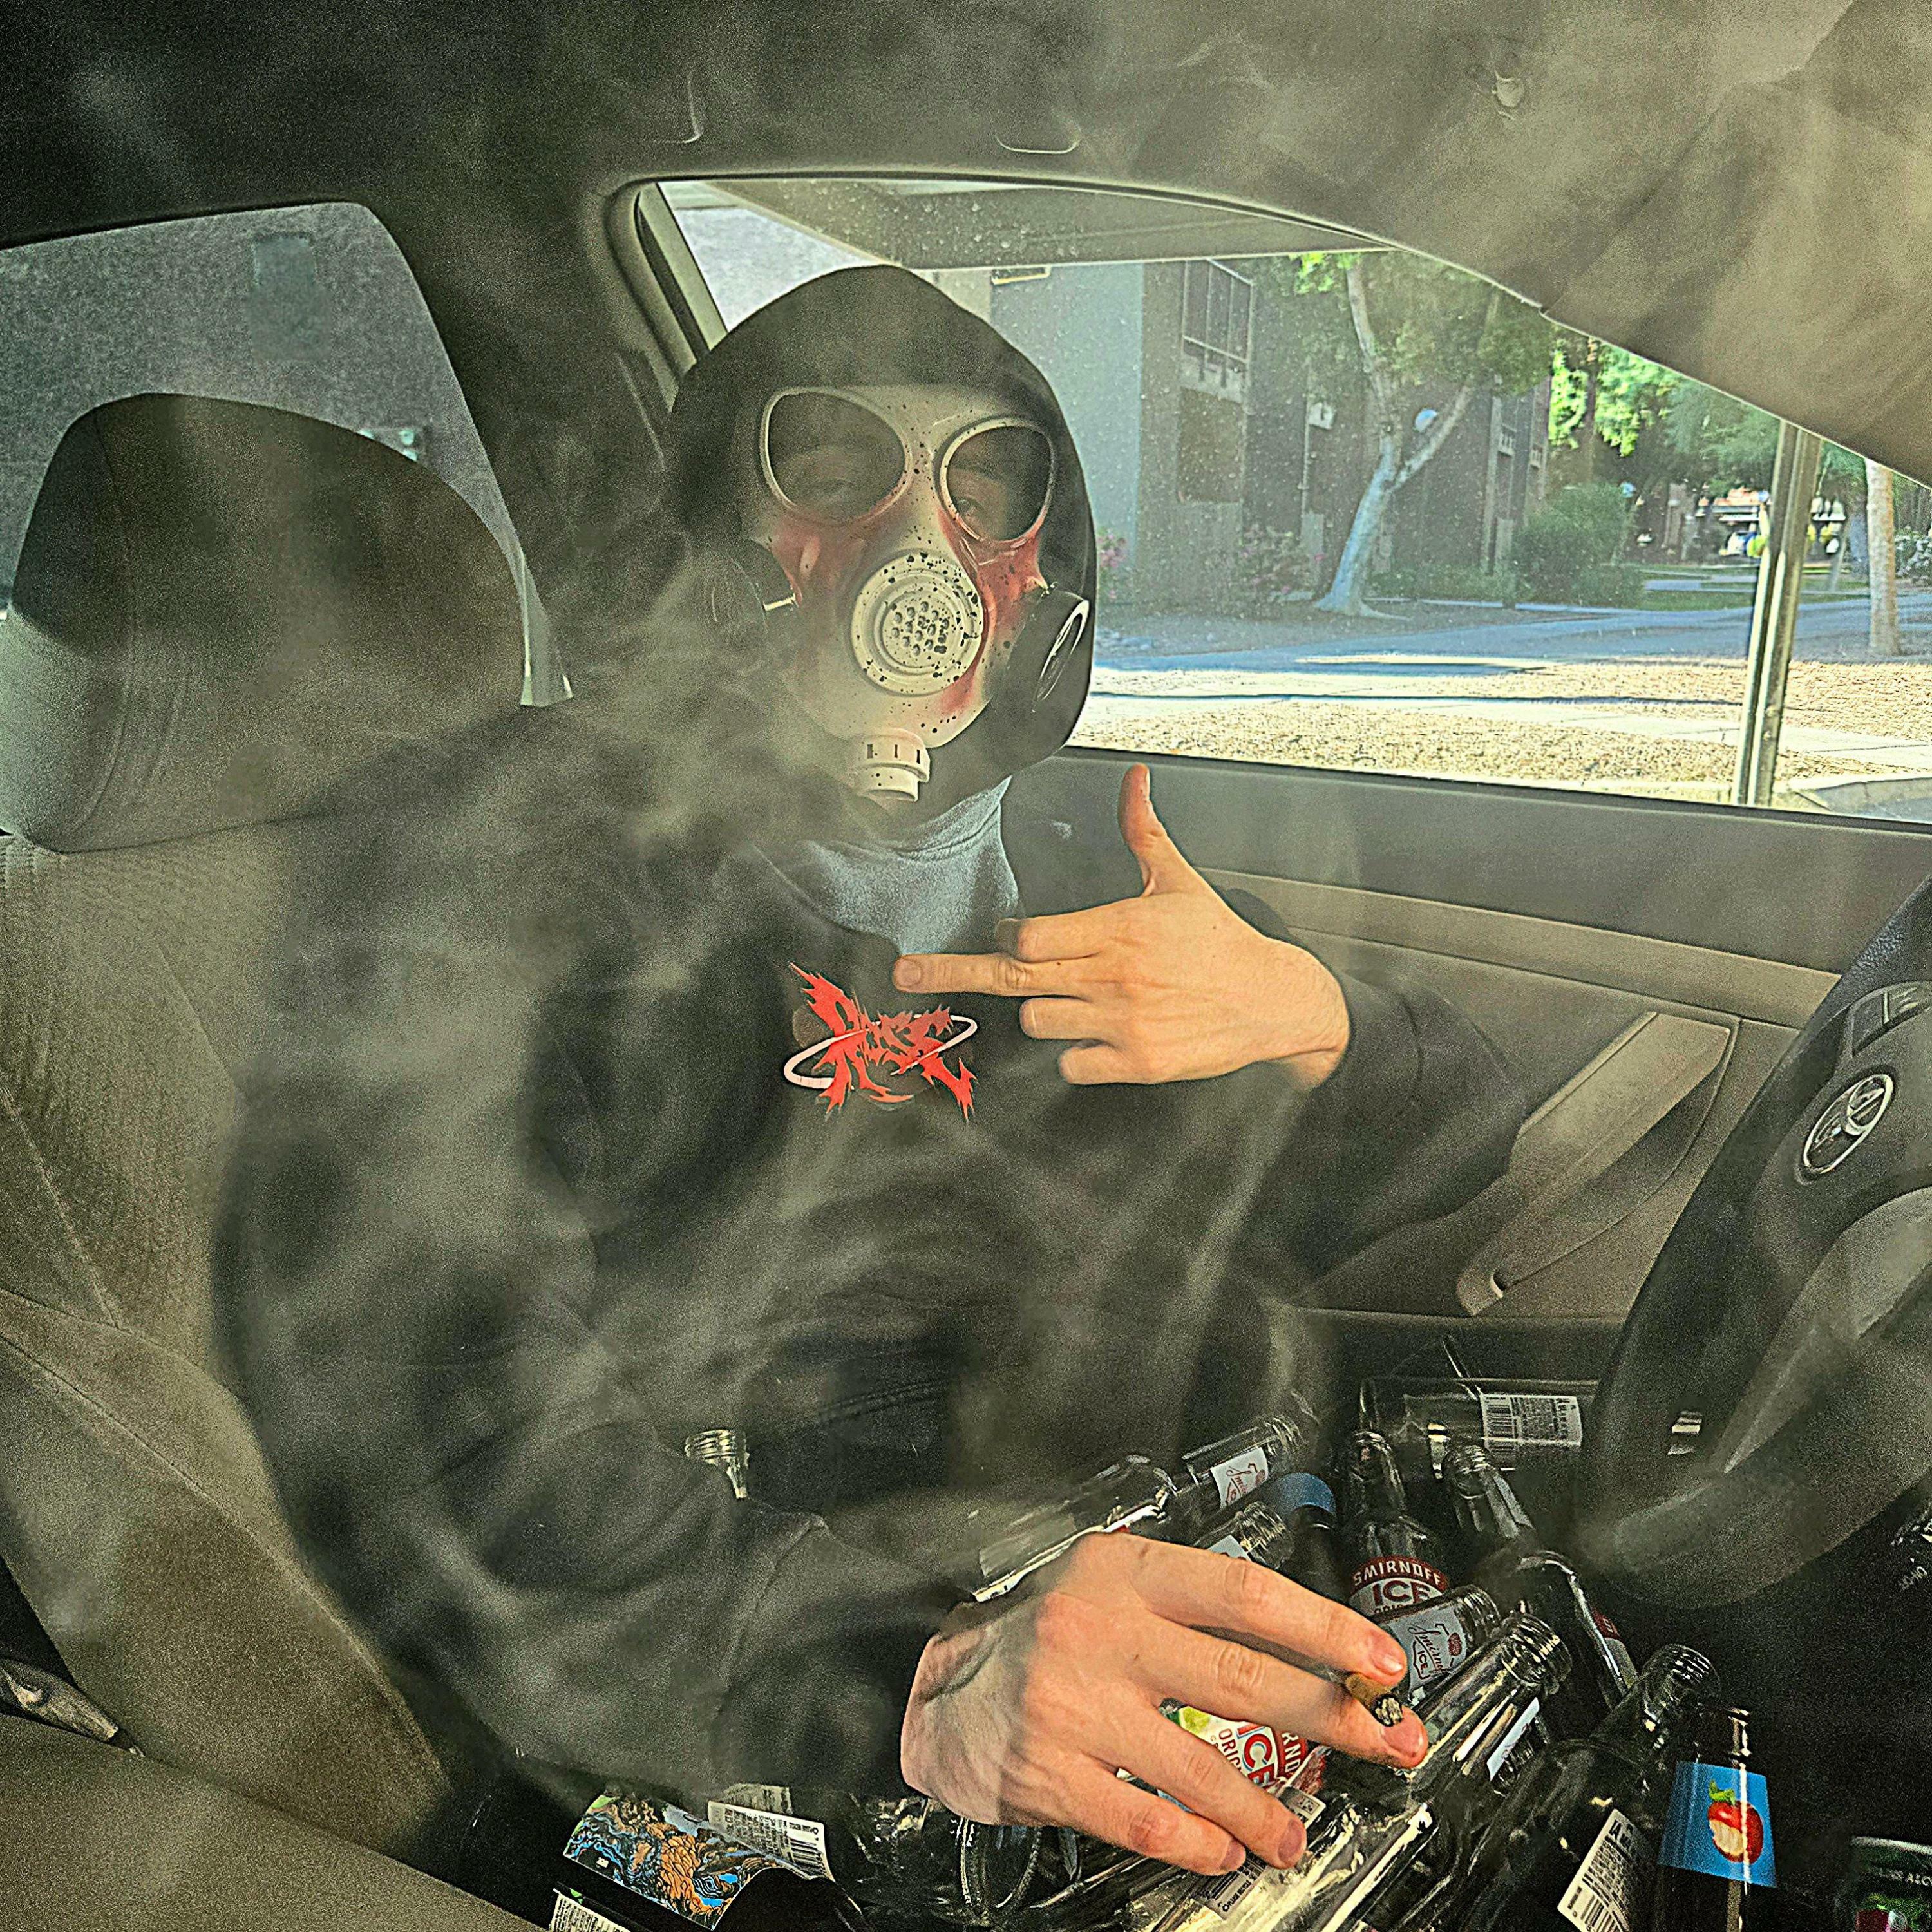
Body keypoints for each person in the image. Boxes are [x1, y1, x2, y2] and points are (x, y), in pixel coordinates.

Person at [217, 266, 1525, 1883]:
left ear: (1049, 571)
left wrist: (1310, 1016)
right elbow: (439, 1434)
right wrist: (912, 1673)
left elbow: (1467, 1139)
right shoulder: (513, 884)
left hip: (1193, 1641)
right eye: (836, 469)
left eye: (986, 487)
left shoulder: (1104, 878)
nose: (922, 549)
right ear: (708, 549)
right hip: (798, 1736)